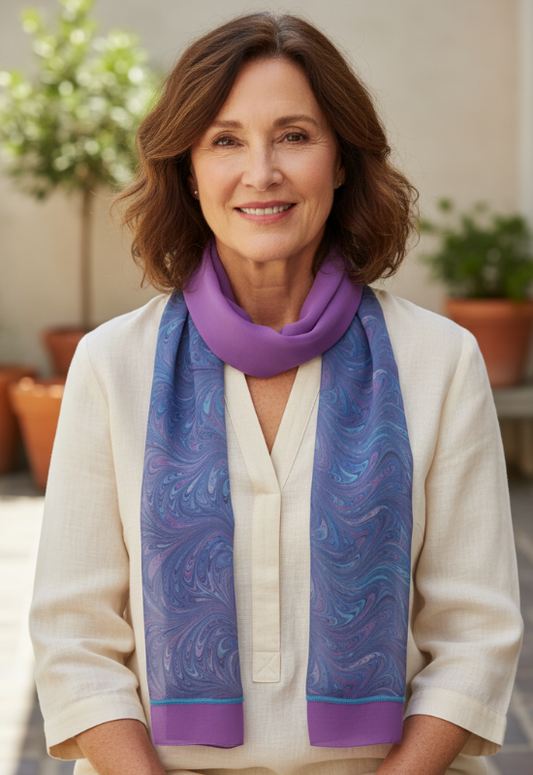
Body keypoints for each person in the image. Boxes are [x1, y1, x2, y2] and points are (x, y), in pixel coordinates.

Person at [30, 12, 522, 775]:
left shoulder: (438, 361)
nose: (261, 171)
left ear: (342, 161)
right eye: (225, 140)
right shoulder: (110, 365)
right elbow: (74, 639)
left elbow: (475, 634)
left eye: (294, 135)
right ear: (188, 170)